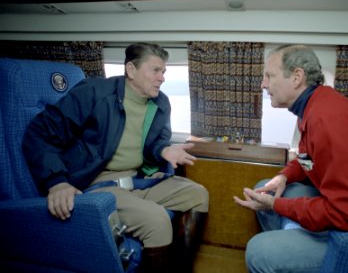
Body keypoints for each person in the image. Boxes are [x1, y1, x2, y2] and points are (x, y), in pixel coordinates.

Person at [22, 42, 209, 273]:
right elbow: (39, 133)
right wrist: (57, 182)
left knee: (198, 194)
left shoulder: (161, 103)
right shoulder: (94, 92)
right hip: (97, 183)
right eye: (155, 70)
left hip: (138, 179)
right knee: (157, 220)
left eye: (164, 72)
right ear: (131, 70)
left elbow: (154, 141)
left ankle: (181, 267)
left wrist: (162, 151)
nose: (162, 78)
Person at [233, 44, 348, 272]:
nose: (263, 84)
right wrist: (283, 177)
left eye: (269, 76)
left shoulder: (327, 119)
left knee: (259, 252)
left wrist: (276, 205)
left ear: (296, 77)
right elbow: (307, 158)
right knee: (267, 187)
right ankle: (289, 250)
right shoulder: (313, 107)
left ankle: (282, 254)